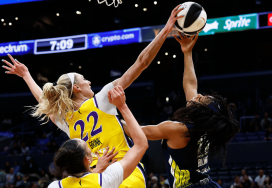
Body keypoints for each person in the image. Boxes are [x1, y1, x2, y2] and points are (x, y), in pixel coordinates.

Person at [2, 5, 184, 187]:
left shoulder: (67, 120)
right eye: (84, 80)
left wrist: (26, 75)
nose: (89, 82)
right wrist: (165, 30)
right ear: (77, 88)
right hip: (124, 172)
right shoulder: (102, 98)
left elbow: (43, 100)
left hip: (97, 178)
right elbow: (141, 63)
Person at [122, 32, 240, 188]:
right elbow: (191, 85)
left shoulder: (177, 129)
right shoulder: (205, 126)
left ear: (200, 111)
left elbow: (136, 131)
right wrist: (187, 52)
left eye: (200, 99)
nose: (197, 96)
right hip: (207, 184)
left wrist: (113, 112)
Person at [48, 86, 148, 188]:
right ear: (87, 159)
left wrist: (96, 170)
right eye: (87, 147)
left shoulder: (55, 186)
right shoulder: (105, 180)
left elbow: (47, 108)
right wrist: (122, 105)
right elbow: (141, 144)